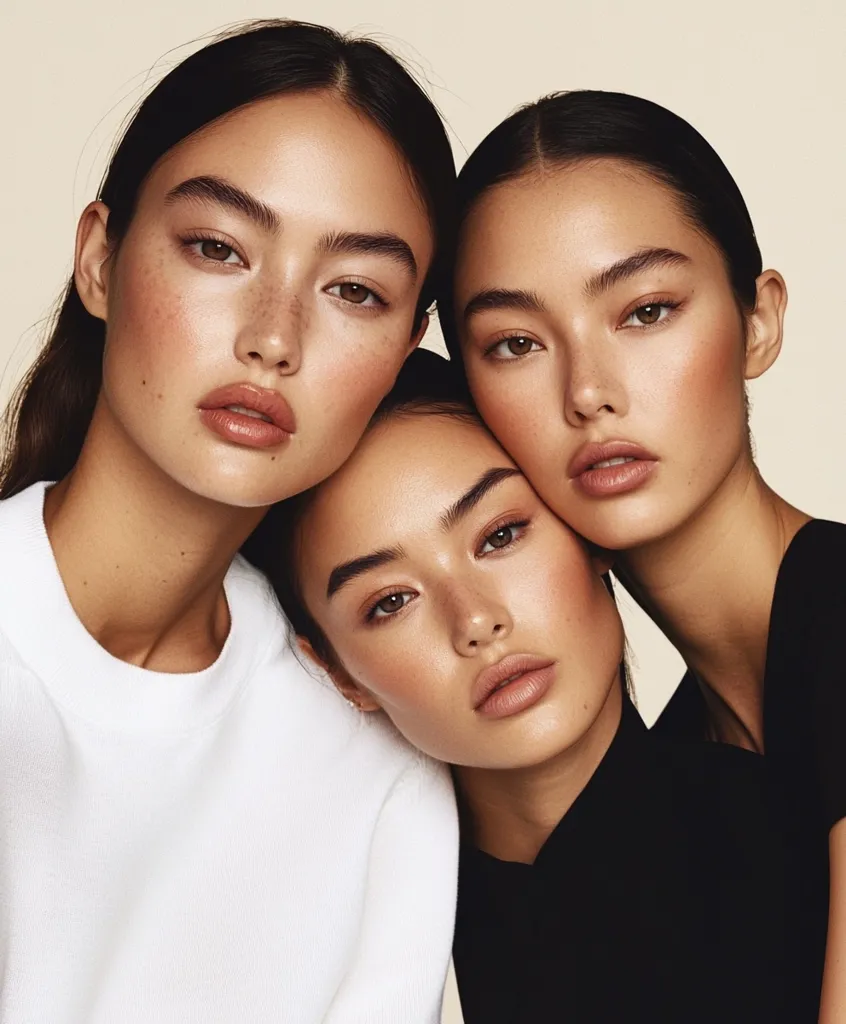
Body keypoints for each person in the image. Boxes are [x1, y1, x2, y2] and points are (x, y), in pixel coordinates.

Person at [0, 20, 459, 1023]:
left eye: (354, 290)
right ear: (100, 259)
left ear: (407, 345)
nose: (274, 337)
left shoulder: (377, 771)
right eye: (218, 247)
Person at [444, 88, 840, 1017]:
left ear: (759, 321)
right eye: (514, 343)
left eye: (646, 310)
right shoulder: (674, 765)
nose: (589, 392)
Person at [261, 348, 805, 1023]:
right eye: (391, 601)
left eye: (502, 535)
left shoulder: (800, 846)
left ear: (588, 534)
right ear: (340, 673)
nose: (477, 619)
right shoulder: (356, 944)